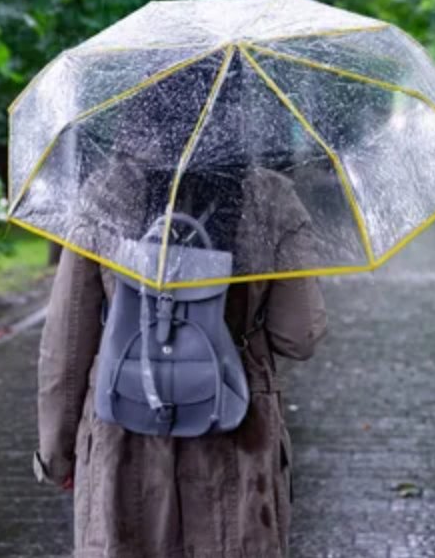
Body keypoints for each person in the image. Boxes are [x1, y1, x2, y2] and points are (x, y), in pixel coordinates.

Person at [33, 159, 328, 558]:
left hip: (124, 428)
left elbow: (66, 343)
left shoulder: (105, 195)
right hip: (239, 431)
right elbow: (298, 336)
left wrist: (56, 454)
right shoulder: (271, 199)